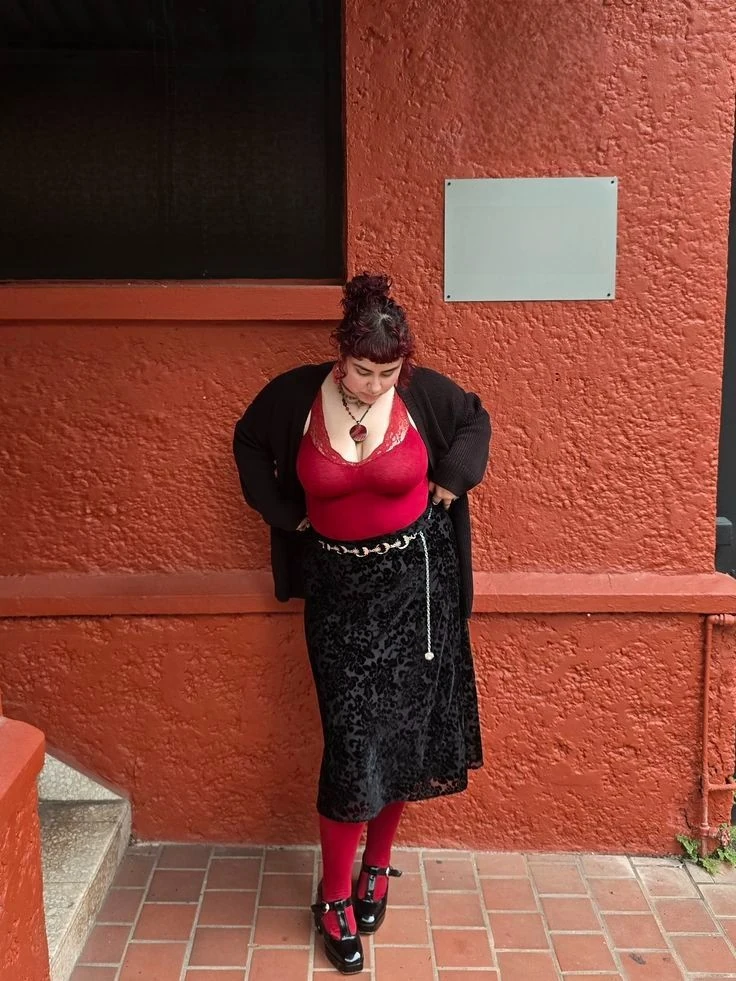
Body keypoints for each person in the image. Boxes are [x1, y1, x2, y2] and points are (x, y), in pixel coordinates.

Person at [233, 273, 491, 975]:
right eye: (362, 370)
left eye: (386, 372)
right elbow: (250, 442)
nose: (375, 385)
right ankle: (334, 895)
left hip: (416, 585)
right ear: (339, 356)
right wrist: (286, 517)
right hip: (339, 592)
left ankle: (379, 864)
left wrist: (454, 477)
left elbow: (474, 420)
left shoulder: (419, 393)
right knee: (351, 740)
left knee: (404, 729)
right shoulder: (295, 397)